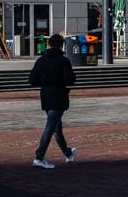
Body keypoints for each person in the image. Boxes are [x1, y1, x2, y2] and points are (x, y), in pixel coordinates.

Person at [29, 33, 77, 170]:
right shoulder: (64, 60)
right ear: (61, 45)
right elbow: (69, 80)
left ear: (49, 44)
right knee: (51, 127)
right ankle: (39, 157)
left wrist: (44, 81)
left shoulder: (41, 60)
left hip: (45, 95)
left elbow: (32, 80)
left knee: (56, 127)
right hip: (59, 95)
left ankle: (68, 153)